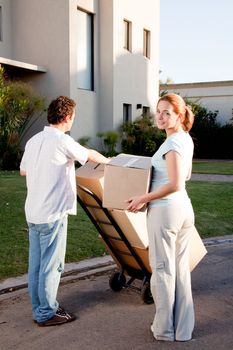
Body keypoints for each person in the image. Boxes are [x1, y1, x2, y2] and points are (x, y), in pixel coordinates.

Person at [20, 95, 109, 327]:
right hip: (52, 213)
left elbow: (23, 171)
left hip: (34, 212)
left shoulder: (33, 141)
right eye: (74, 117)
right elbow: (88, 154)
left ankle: (39, 308)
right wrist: (110, 162)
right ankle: (46, 313)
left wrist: (46, 169)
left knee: (37, 265)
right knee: (51, 265)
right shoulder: (62, 140)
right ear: (68, 117)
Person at [126, 93, 195, 342]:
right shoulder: (184, 140)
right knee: (179, 271)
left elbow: (175, 182)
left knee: (163, 270)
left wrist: (142, 198)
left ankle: (164, 330)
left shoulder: (173, 143)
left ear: (179, 115)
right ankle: (183, 330)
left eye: (167, 112)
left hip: (166, 211)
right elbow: (185, 177)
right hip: (183, 210)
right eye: (158, 111)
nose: (161, 116)